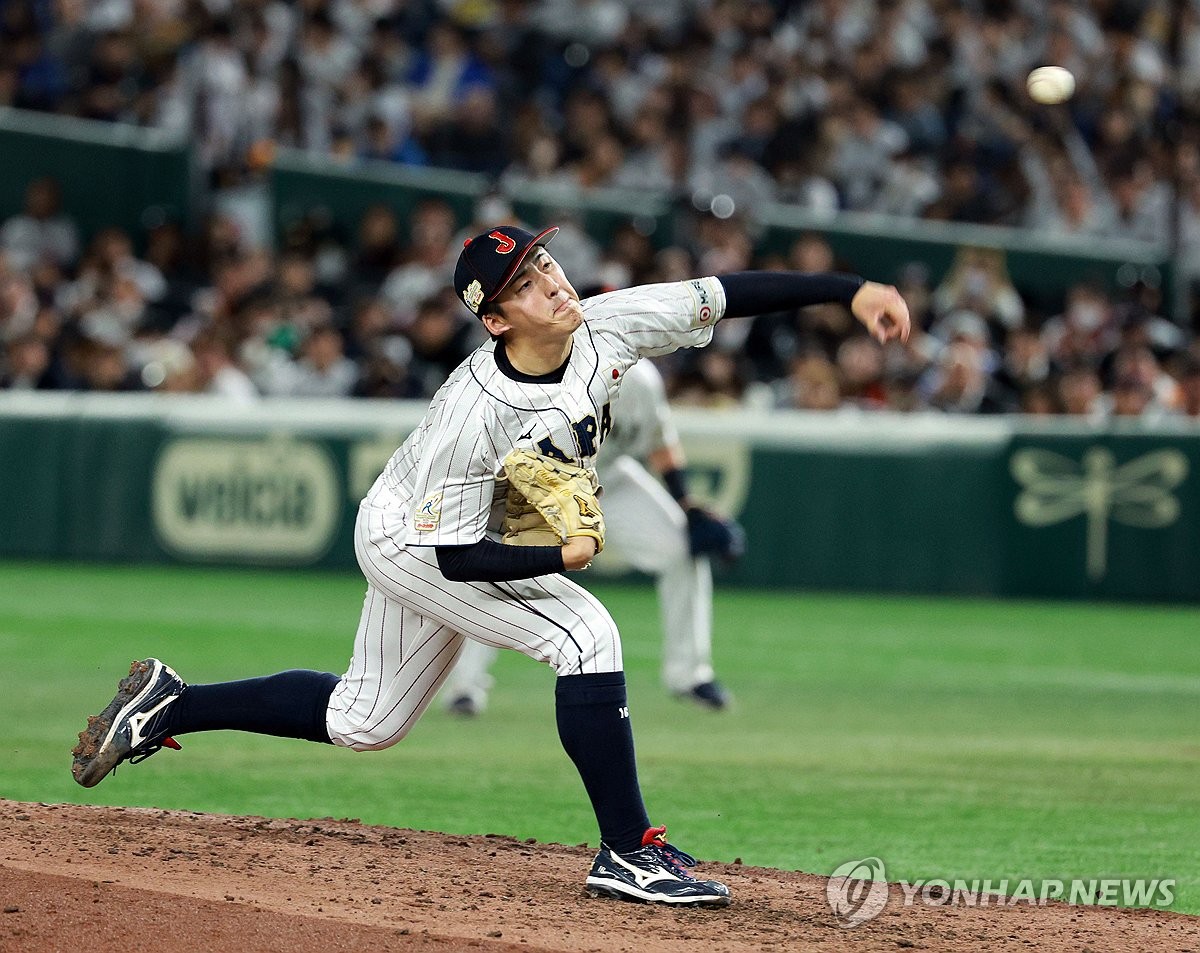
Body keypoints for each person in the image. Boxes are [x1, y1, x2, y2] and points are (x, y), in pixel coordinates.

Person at [72, 224, 910, 907]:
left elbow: (729, 295)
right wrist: (562, 555)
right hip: (417, 536)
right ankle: (628, 849)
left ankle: (168, 703)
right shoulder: (474, 413)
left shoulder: (606, 321)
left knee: (367, 718)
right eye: (527, 283)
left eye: (545, 262)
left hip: (447, 530)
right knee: (585, 632)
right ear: (499, 320)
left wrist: (851, 292)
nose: (552, 281)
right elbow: (457, 556)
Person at [441, 357, 744, 717]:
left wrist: (684, 501)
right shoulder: (546, 368)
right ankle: (465, 686)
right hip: (541, 485)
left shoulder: (640, 380)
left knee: (680, 546)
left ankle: (690, 675)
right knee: (501, 570)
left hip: (609, 482)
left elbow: (660, 440)